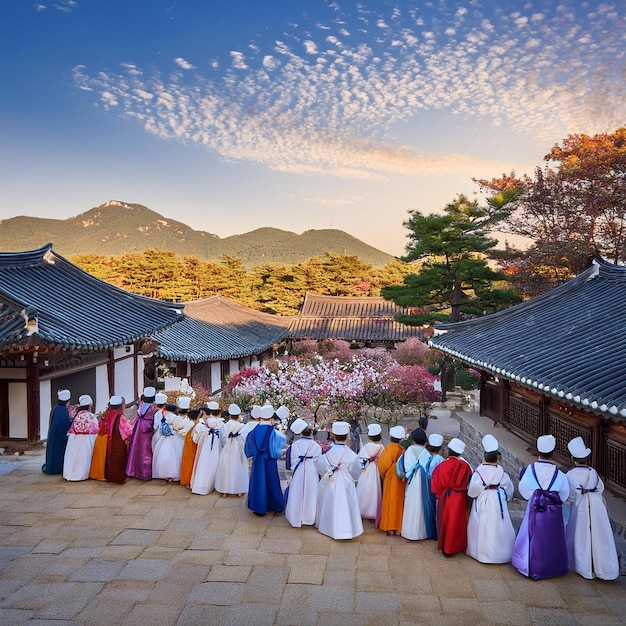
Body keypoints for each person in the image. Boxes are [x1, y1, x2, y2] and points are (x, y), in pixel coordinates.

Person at [512, 434, 571, 579]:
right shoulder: (560, 475)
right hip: (553, 512)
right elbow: (564, 495)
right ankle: (553, 566)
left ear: (538, 451)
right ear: (553, 452)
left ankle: (529, 564)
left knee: (531, 535)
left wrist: (535, 497)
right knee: (553, 539)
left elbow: (524, 490)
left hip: (534, 507)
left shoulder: (529, 470)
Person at [565, 436, 619, 580]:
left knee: (580, 535)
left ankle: (583, 566)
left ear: (572, 458)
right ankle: (603, 567)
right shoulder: (593, 473)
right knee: (599, 535)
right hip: (596, 507)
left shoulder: (570, 475)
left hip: (580, 507)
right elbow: (600, 488)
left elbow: (569, 495)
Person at [466, 434, 516, 564]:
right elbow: (509, 489)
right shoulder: (502, 472)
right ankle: (500, 553)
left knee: (482, 524)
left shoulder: (479, 472)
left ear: (484, 456)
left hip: (484, 499)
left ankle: (481, 553)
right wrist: (506, 497)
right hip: (498, 500)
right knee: (499, 525)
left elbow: (472, 491)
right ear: (497, 459)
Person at [315, 421, 363, 540]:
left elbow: (320, 468)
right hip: (346, 482)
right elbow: (357, 471)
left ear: (333, 435)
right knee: (347, 505)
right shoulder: (351, 454)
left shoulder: (326, 453)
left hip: (331, 480)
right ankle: (347, 529)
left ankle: (329, 527)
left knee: (330, 504)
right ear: (347, 436)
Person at [431, 437, 473, 556]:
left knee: (445, 521)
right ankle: (455, 547)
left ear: (449, 450)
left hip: (446, 497)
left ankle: (445, 547)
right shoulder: (466, 466)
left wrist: (440, 495)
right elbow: (470, 482)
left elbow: (435, 484)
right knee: (457, 523)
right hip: (460, 498)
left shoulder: (442, 465)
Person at [401, 431, 443, 541]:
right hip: (426, 482)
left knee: (412, 504)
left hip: (414, 480)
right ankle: (423, 532)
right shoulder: (427, 453)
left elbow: (408, 467)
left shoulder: (410, 450)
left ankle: (410, 531)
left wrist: (408, 474)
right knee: (424, 506)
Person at [244, 404, 286, 516]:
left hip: (258, 460)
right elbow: (278, 449)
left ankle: (258, 507)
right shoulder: (275, 433)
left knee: (258, 482)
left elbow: (248, 448)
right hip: (270, 460)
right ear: (271, 417)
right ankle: (276, 505)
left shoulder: (253, 432)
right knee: (272, 481)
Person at [284, 418, 322, 528]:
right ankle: (309, 518)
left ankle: (296, 517)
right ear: (311, 432)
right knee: (311, 493)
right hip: (311, 472)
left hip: (298, 471)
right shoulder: (316, 446)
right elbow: (318, 464)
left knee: (297, 493)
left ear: (300, 433)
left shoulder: (294, 445)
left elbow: (290, 461)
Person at [89, 396, 132, 484]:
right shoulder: (120, 417)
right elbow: (127, 431)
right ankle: (117, 478)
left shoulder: (105, 414)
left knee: (108, 459)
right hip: (117, 440)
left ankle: (109, 476)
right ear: (121, 406)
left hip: (104, 440)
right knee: (118, 459)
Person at [377, 425, 407, 536]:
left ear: (390, 437)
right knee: (400, 502)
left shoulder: (388, 449)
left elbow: (382, 465)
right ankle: (399, 527)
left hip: (390, 477)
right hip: (401, 477)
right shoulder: (403, 450)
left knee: (390, 500)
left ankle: (389, 526)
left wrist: (384, 473)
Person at [215, 403, 249, 497]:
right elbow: (244, 438)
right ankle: (239, 490)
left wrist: (226, 444)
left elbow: (222, 438)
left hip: (227, 448)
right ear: (238, 415)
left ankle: (225, 490)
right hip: (237, 447)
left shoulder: (225, 425)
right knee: (238, 467)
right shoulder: (241, 426)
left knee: (226, 467)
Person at [63, 394, 99, 481]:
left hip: (74, 439)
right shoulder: (90, 416)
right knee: (84, 458)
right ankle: (83, 473)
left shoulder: (77, 415)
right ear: (90, 405)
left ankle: (71, 473)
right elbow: (96, 430)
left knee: (74, 457)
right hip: (86, 441)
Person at [126, 386, 159, 480]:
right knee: (146, 450)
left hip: (139, 427)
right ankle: (145, 471)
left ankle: (133, 470)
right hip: (148, 428)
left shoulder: (141, 405)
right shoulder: (153, 408)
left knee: (136, 448)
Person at [356, 423, 385, 521]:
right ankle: (373, 511)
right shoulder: (381, 447)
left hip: (367, 470)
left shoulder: (366, 446)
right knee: (375, 490)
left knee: (364, 489)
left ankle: (361, 509)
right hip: (376, 470)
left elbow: (360, 460)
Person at [42, 389, 74, 475]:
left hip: (54, 434)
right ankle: (56, 469)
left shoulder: (56, 408)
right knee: (58, 453)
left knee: (53, 452)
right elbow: (63, 426)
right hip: (59, 437)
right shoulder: (62, 410)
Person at [190, 413, 223, 496]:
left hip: (204, 452)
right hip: (216, 451)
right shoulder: (217, 433)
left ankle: (200, 486)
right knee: (215, 465)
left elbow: (196, 439)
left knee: (203, 466)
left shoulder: (204, 431)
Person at [180, 407, 202, 488]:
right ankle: (189, 480)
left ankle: (188, 480)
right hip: (192, 446)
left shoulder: (192, 424)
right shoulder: (195, 425)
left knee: (189, 463)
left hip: (189, 446)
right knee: (191, 463)